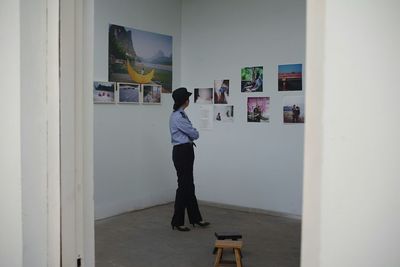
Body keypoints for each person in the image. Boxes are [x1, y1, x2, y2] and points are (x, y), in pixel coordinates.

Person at [169, 87, 210, 232]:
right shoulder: (178, 117)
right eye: (187, 98)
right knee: (183, 186)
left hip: (185, 150)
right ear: (184, 101)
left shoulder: (181, 114)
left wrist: (193, 133)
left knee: (189, 185)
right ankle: (177, 221)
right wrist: (194, 132)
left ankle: (195, 218)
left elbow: (191, 133)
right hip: (182, 152)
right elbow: (193, 133)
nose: (188, 100)